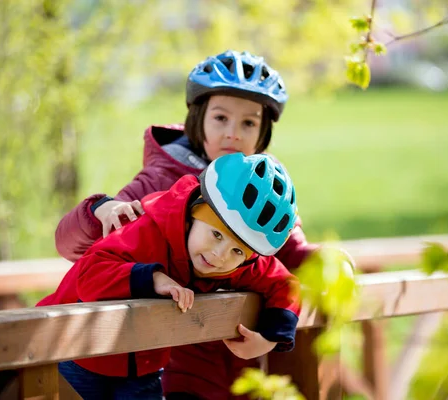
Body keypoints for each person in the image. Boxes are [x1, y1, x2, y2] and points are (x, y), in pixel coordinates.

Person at [55, 50, 320, 399]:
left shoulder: (260, 192)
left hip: (231, 357)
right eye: (221, 118)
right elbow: (86, 249)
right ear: (198, 118)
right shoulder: (160, 179)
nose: (233, 135)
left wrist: (324, 264)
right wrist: (100, 211)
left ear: (263, 132)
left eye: (249, 123)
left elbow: (286, 257)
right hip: (165, 360)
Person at [38, 153, 302, 400]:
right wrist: (153, 279)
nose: (220, 255)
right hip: (70, 352)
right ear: (192, 215)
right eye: (216, 234)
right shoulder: (147, 229)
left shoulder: (236, 264)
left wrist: (268, 339)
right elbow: (90, 275)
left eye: (236, 251)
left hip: (144, 367)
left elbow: (286, 284)